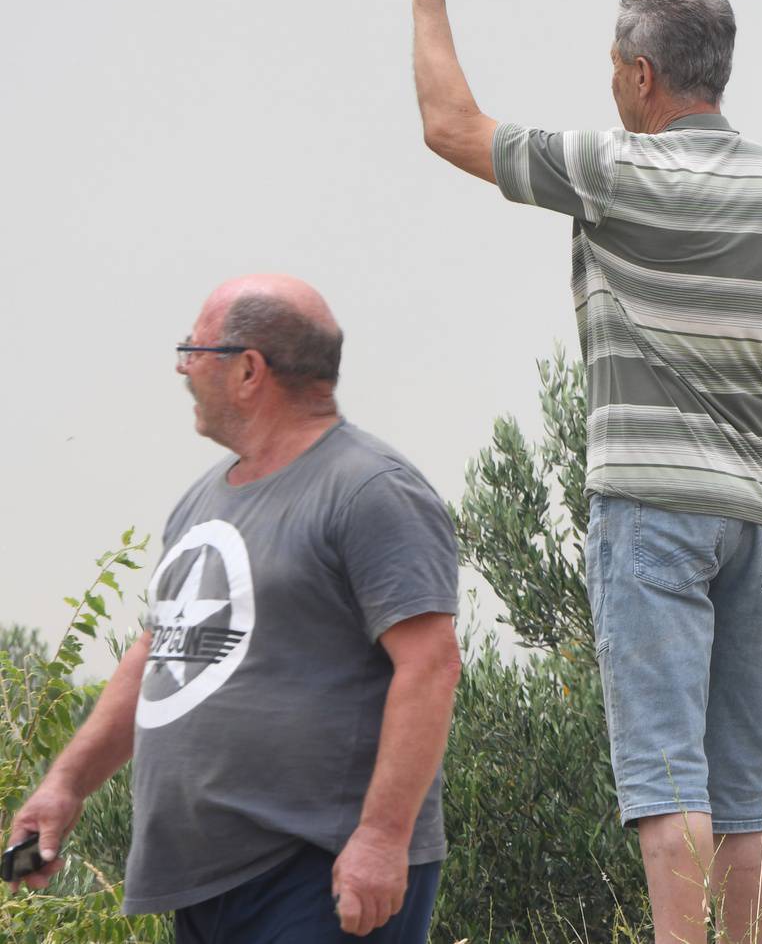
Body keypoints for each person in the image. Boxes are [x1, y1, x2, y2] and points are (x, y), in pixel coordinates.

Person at [408, 0, 762, 944]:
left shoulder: (614, 168)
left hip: (649, 509)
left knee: (664, 782)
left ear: (641, 76)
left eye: (614, 68)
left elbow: (449, 128)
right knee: (744, 786)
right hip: (753, 515)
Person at [6, 275, 461, 942]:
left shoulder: (370, 490)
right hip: (208, 888)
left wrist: (382, 837)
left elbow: (431, 664)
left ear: (250, 370)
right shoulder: (200, 501)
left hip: (322, 874)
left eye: (194, 349)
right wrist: (66, 786)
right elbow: (159, 650)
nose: (182, 368)